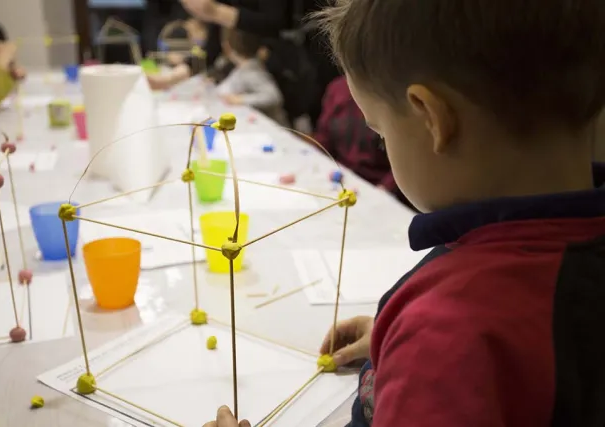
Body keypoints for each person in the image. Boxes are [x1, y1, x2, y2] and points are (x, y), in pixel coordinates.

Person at [204, 0, 605, 426]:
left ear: (432, 118)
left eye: (380, 132)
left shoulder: (448, 336)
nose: (382, 144)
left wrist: (428, 352)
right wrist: (396, 340)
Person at [314, 75, 413, 206]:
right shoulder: (337, 89)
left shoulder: (396, 97)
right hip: (342, 175)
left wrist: (384, 188)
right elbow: (324, 136)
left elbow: (408, 157)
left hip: (379, 185)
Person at [147, 0, 288, 91]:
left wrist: (217, 12)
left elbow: (279, 23)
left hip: (286, 72)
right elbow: (210, 51)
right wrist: (168, 79)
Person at [216, 28, 286, 125]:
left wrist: (241, 99)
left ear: (227, 47)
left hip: (272, 128)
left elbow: (274, 97)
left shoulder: (252, 72)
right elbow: (225, 89)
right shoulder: (243, 68)